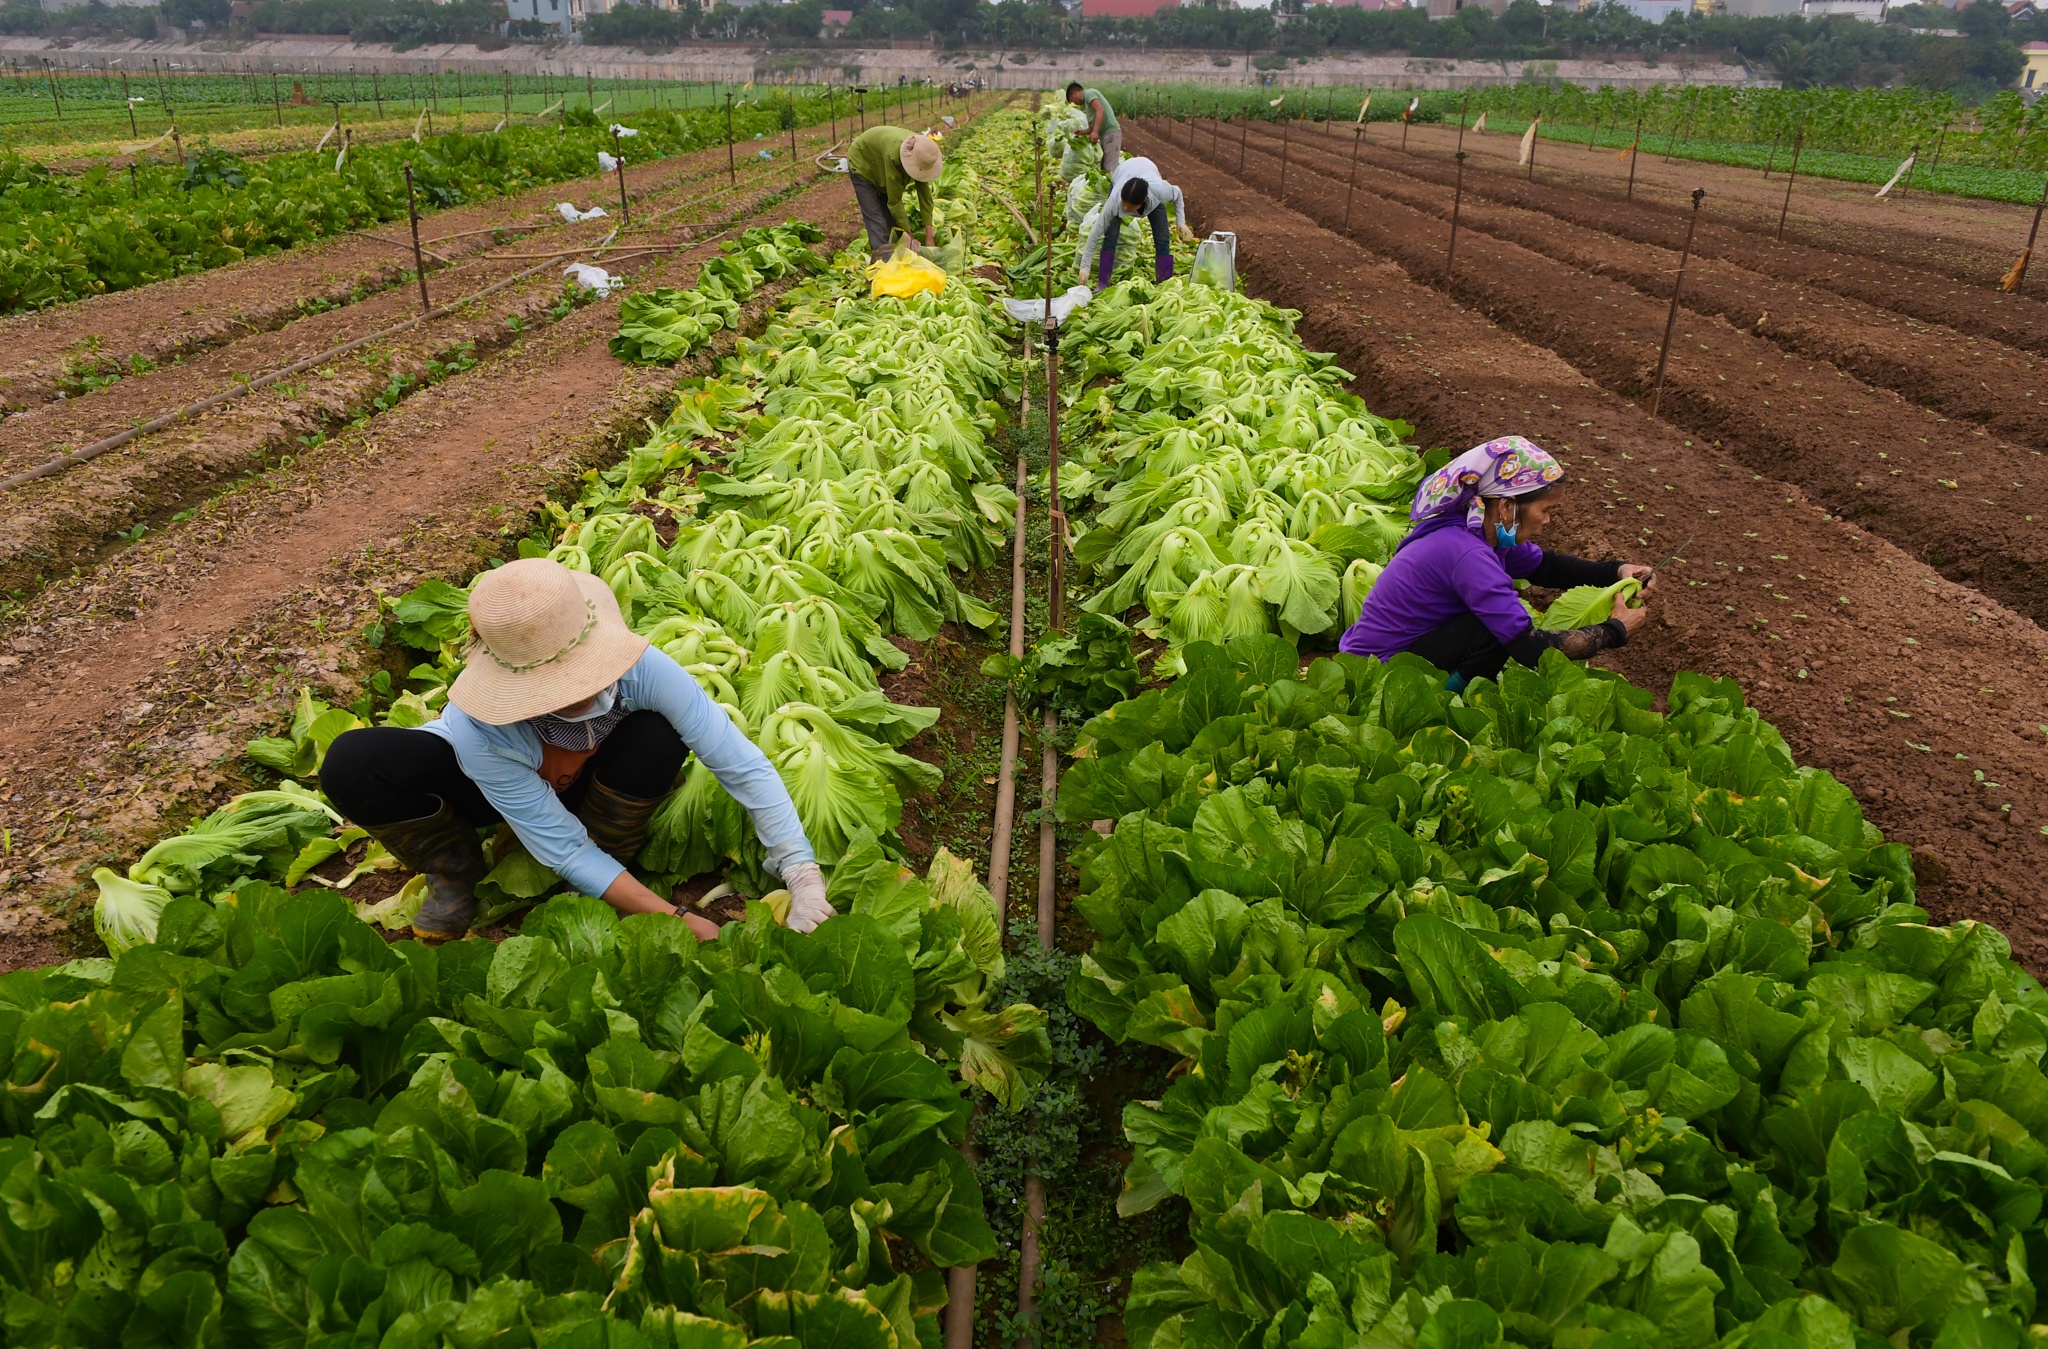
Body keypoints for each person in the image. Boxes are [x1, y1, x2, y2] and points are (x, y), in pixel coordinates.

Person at [321, 558, 832, 943]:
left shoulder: (645, 671)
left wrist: (799, 869)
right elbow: (563, 848)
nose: (576, 690)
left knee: (656, 733)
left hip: (593, 782)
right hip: (485, 793)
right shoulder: (480, 727)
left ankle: (610, 854)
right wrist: (676, 918)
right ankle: (455, 872)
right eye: (554, 683)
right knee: (352, 762)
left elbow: (738, 762)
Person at [1338, 437, 1658, 688]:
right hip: (1378, 673)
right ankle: (1442, 703)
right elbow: (1529, 649)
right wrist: (1614, 631)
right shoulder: (1468, 554)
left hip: (1391, 655)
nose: (1548, 520)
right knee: (1495, 628)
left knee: (1497, 620)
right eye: (1546, 510)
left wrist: (1617, 571)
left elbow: (1547, 567)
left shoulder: (1483, 530)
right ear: (1506, 506)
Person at [1078, 156, 1195, 290]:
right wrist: (1084, 267)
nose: (1126, 208)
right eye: (1124, 203)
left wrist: (1181, 222)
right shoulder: (1115, 200)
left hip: (1148, 169)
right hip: (1123, 172)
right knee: (1111, 235)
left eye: (1131, 206)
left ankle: (1164, 283)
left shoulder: (1159, 191)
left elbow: (1178, 193)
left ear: (1143, 200)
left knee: (1163, 237)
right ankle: (1102, 284)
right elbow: (1095, 233)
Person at [847, 125, 943, 259]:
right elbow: (894, 201)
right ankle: (882, 261)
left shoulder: (921, 152)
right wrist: (909, 237)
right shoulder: (895, 156)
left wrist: (929, 237)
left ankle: (897, 253)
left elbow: (925, 197)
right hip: (862, 162)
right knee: (876, 220)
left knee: (894, 224)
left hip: (880, 159)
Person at [1065, 81, 1121, 175]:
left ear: (1074, 94)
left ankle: (1115, 184)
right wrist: (1082, 132)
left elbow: (1100, 110)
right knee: (1104, 168)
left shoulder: (1089, 93)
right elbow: (1091, 129)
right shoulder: (1087, 105)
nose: (1075, 103)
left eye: (1072, 101)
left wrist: (1095, 132)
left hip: (1111, 134)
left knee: (1110, 169)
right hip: (1105, 136)